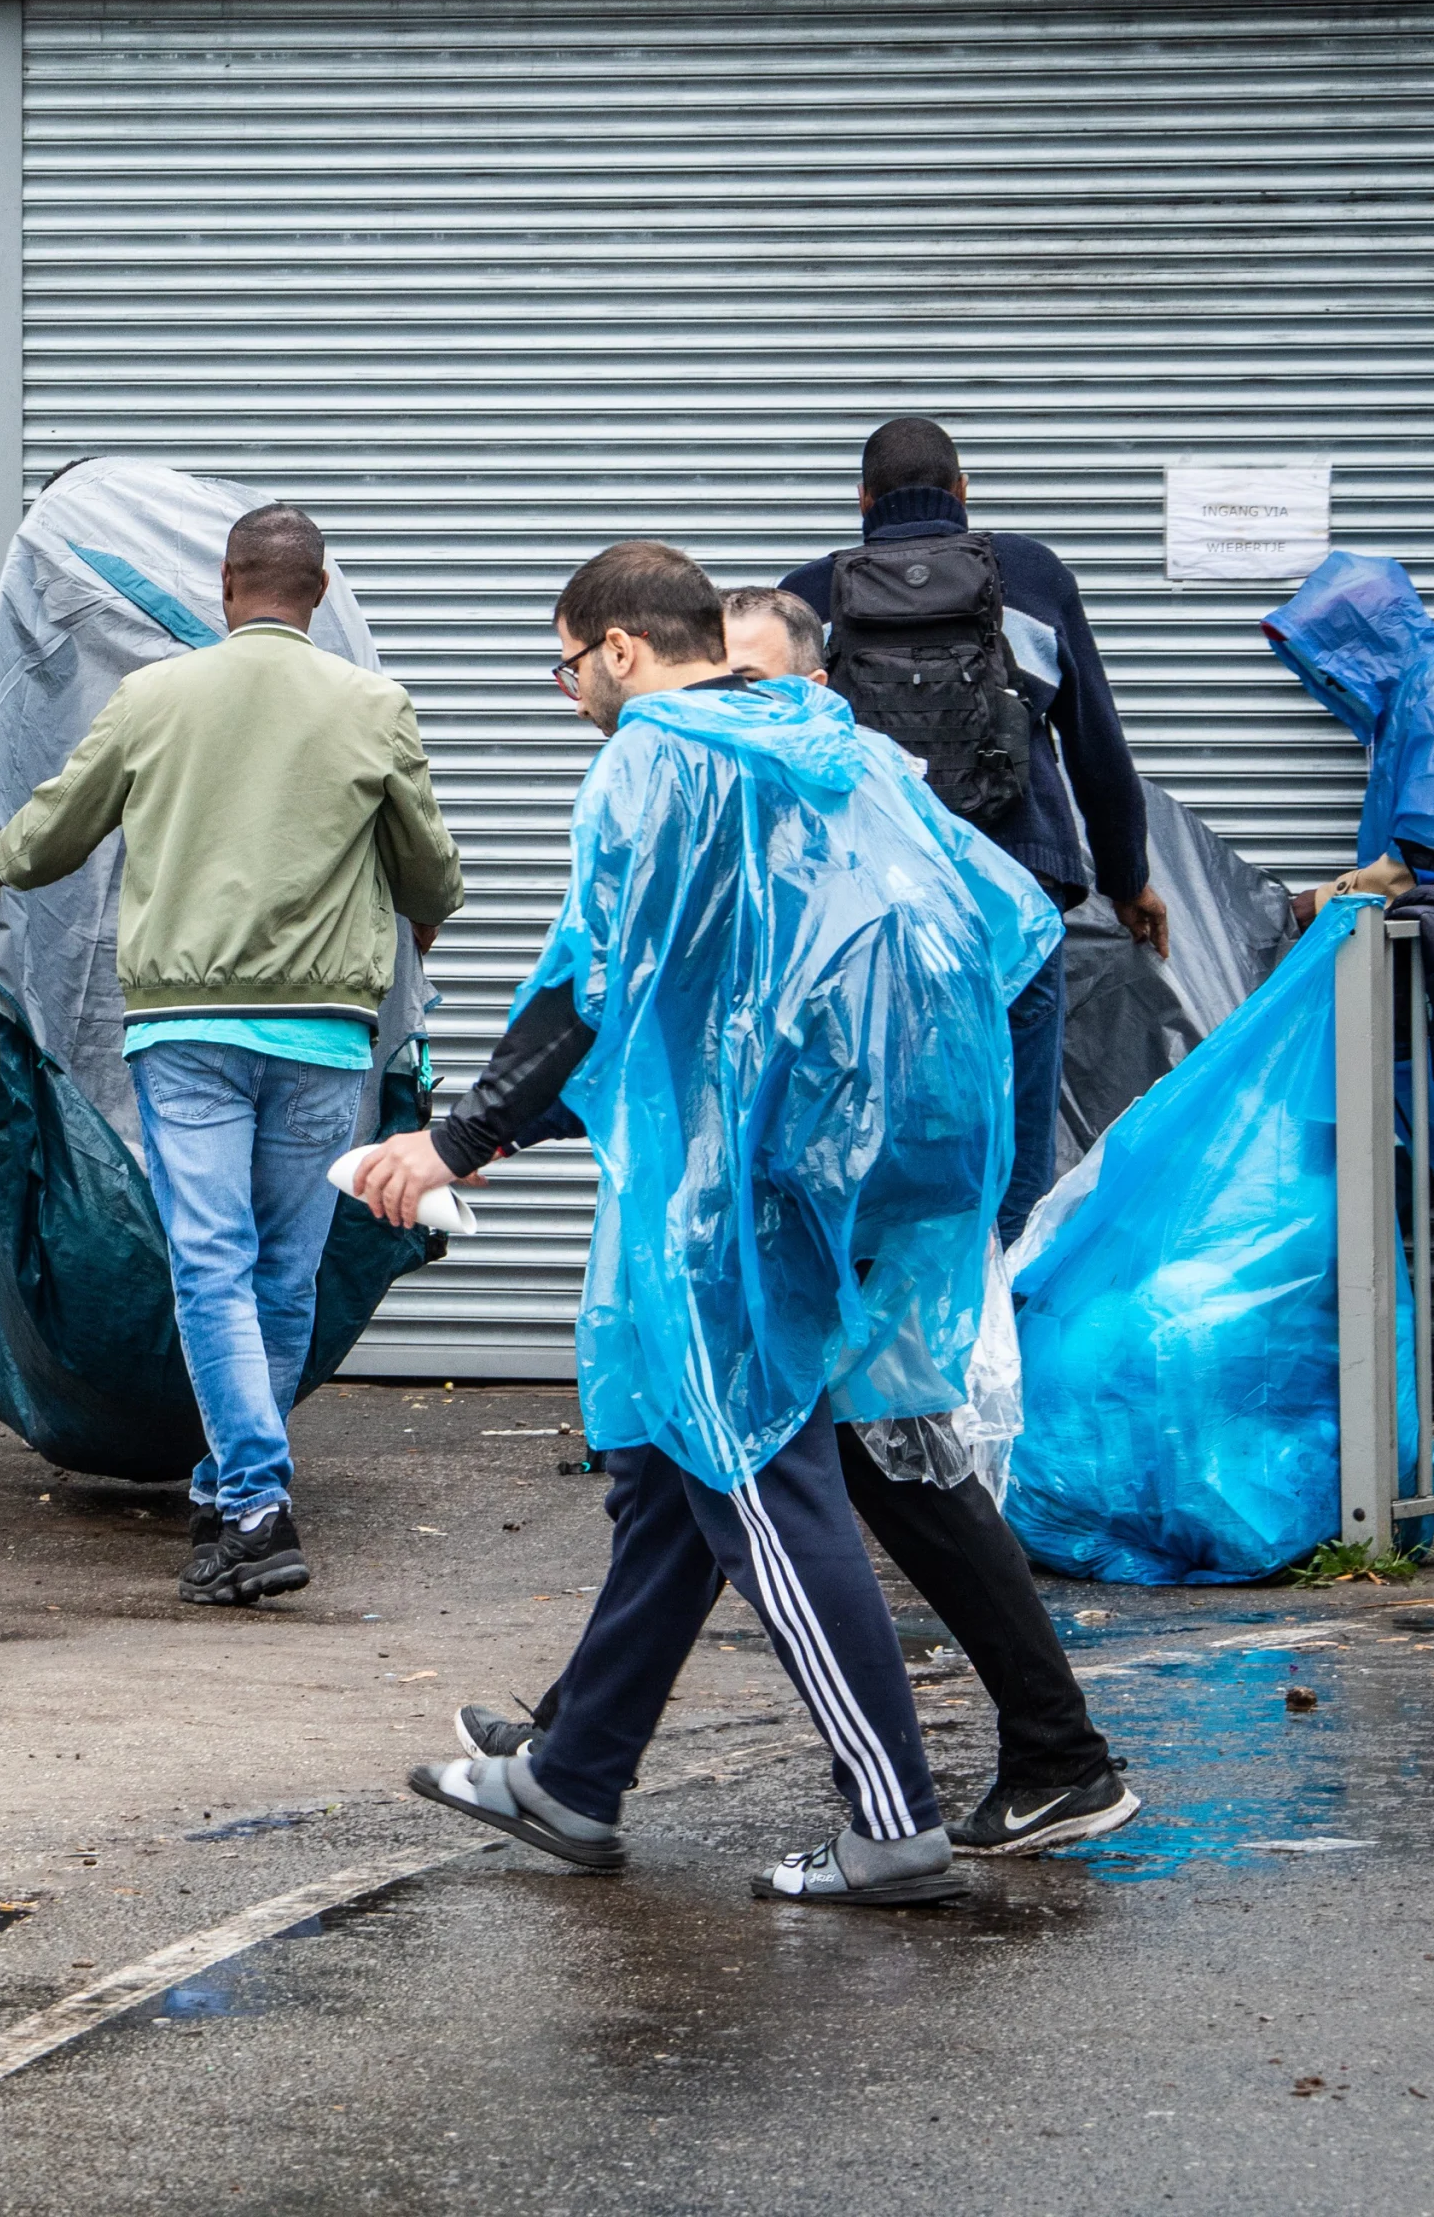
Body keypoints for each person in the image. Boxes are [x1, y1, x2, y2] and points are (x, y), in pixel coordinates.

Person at [358, 543, 1057, 1904]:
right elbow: (1006, 924)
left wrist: (456, 1136)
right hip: (849, 1165)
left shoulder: (653, 762)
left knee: (755, 1478)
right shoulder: (829, 744)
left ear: (621, 648)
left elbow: (594, 991)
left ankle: (892, 1820)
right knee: (682, 1480)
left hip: (734, 1195)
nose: (565, 696)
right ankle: (575, 1773)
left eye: (563, 666)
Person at [0, 507, 464, 1604]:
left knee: (210, 1265)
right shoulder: (373, 705)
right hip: (327, 1034)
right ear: (319, 594)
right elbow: (432, 879)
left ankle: (251, 1502)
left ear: (226, 585)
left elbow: (54, 835)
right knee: (282, 1272)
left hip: (188, 1031)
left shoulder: (154, 697)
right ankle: (231, 1484)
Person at [782, 418, 1167, 1242]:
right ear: (962, 493)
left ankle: (886, 1335)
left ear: (863, 503)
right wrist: (1127, 877)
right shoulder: (1030, 574)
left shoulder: (809, 596)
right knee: (1014, 1126)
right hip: (1015, 891)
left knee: (881, 1117)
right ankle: (996, 1331)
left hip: (873, 909)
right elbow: (1098, 746)